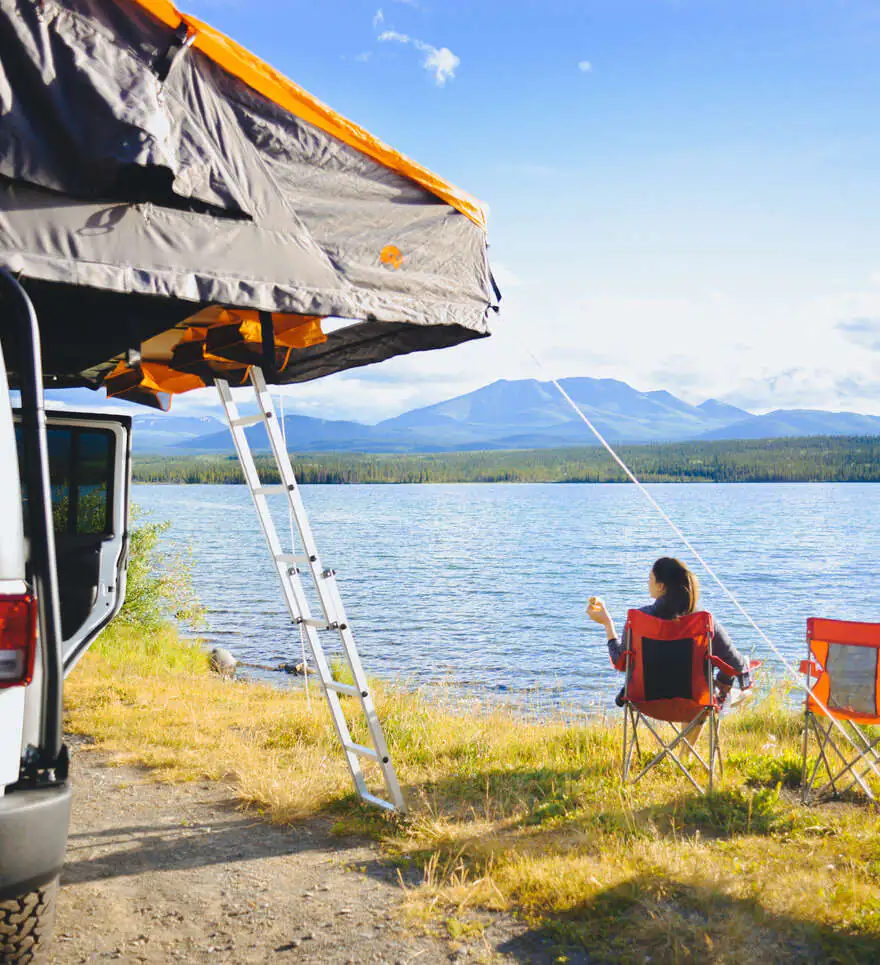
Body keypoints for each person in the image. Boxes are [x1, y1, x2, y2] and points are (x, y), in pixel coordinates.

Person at [586, 557, 749, 706]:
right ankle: (717, 703)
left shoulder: (639, 619)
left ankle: (686, 736)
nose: (647, 582)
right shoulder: (703, 622)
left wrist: (608, 624)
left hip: (644, 701)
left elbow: (620, 662)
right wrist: (724, 678)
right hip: (694, 703)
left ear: (661, 586)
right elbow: (736, 664)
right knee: (711, 686)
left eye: (650, 578)